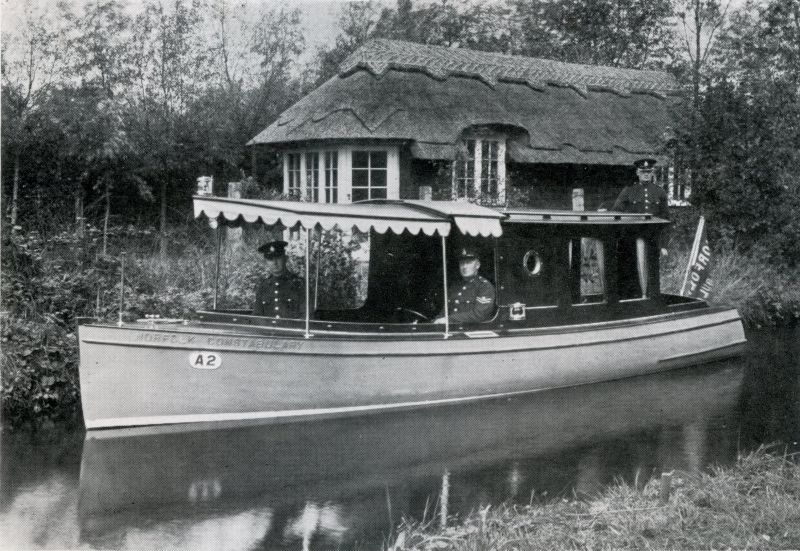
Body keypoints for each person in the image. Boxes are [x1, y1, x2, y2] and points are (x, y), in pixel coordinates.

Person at [613, 157, 670, 256]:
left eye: (648, 171)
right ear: (637, 173)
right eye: (643, 171)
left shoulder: (660, 192)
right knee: (631, 269)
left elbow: (665, 220)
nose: (646, 174)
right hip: (631, 240)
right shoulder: (628, 191)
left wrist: (664, 245)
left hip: (653, 240)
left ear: (652, 173)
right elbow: (616, 213)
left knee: (652, 269)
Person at [434, 247, 496, 324]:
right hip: (452, 329)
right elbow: (445, 312)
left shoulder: (484, 286)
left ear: (477, 265)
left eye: (469, 262)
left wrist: (449, 319)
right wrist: (436, 321)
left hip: (472, 330)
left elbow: (479, 314)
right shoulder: (455, 286)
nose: (465, 267)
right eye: (462, 263)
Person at [252, 240, 305, 318]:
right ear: (266, 262)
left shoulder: (299, 285)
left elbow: (306, 316)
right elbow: (257, 316)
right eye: (270, 259)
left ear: (285, 258)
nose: (274, 262)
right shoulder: (263, 287)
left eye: (278, 258)